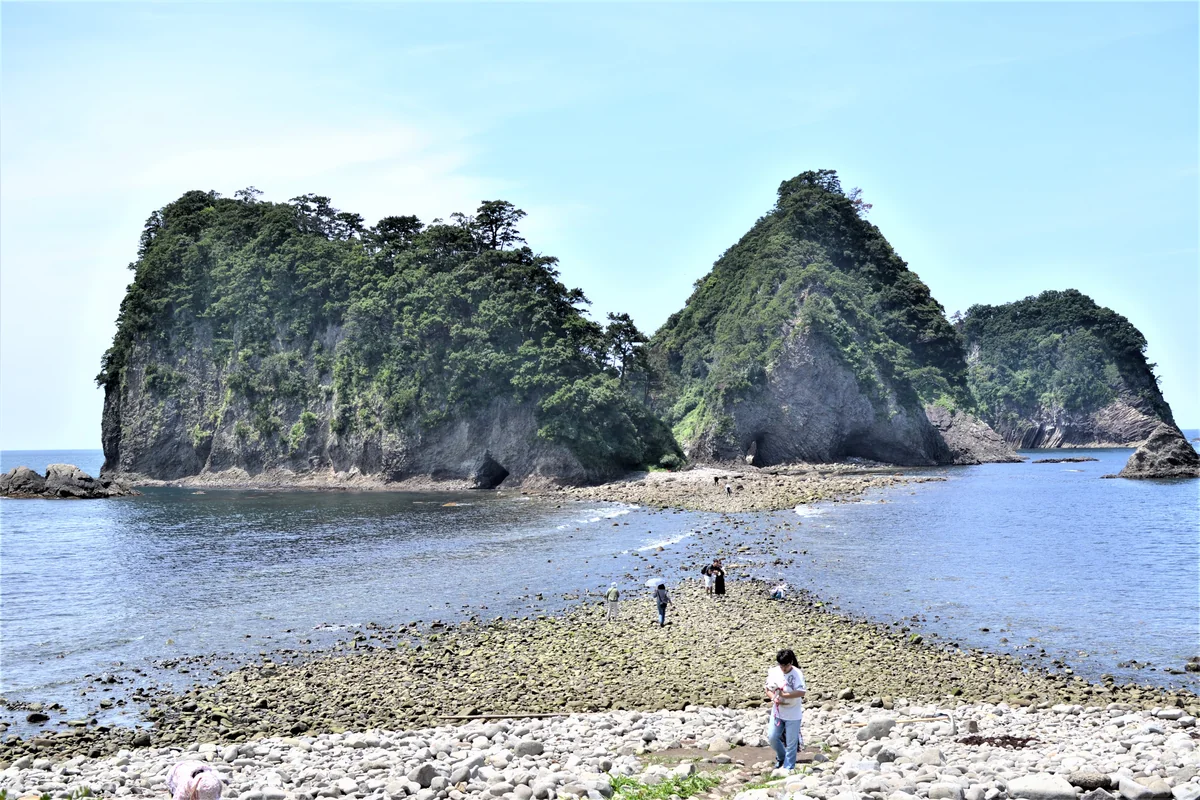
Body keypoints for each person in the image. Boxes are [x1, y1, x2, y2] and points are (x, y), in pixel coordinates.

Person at [764, 648, 807, 771]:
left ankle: (788, 767)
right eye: (781, 665)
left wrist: (784, 695)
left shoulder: (797, 673)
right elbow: (767, 689)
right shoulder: (774, 671)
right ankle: (781, 757)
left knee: (791, 742)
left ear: (791, 662)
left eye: (786, 665)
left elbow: (801, 692)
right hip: (778, 711)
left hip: (793, 712)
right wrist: (774, 698)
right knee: (772, 737)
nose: (783, 668)